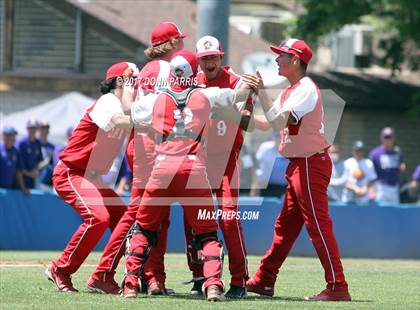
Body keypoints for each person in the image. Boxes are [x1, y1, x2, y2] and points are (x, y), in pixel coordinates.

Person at [122, 50, 254, 301]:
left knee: (144, 229)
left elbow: (128, 108)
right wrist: (250, 83)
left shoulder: (156, 98)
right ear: (196, 72)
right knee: (206, 233)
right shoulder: (205, 93)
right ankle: (213, 285)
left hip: (161, 169)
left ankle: (130, 285)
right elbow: (238, 95)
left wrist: (129, 85)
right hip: (194, 170)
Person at [243, 38, 351, 301]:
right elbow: (266, 124)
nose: (276, 60)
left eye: (281, 55)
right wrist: (232, 114)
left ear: (295, 60)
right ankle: (264, 280)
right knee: (285, 227)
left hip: (310, 163)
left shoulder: (305, 89)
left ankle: (338, 286)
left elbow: (279, 121)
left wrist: (261, 93)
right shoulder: (290, 91)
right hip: (298, 165)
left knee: (318, 225)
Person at [88, 21, 188, 295]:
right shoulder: (171, 69)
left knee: (158, 215)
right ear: (171, 43)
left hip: (141, 143)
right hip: (156, 145)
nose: (182, 44)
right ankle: (104, 273)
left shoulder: (144, 71)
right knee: (140, 215)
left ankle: (153, 277)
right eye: (179, 39)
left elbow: (130, 108)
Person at [45, 61, 137, 293]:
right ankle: (60, 269)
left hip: (91, 175)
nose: (136, 84)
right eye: (132, 79)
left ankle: (102, 276)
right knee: (99, 217)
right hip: (71, 171)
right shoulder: (109, 101)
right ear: (120, 81)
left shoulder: (127, 105)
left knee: (123, 219)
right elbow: (119, 120)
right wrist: (151, 121)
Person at [181, 35, 254, 299]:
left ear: (221, 58)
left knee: (229, 218)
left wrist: (232, 106)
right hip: (197, 159)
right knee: (193, 219)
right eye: (204, 59)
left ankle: (239, 280)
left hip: (226, 159)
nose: (209, 62)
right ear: (198, 61)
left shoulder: (237, 81)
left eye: (213, 57)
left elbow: (249, 122)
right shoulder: (192, 82)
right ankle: (199, 276)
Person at [369, 127, 405, 205]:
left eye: (390, 137)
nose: (388, 139)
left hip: (395, 187)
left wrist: (402, 166)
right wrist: (371, 189)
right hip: (381, 187)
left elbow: (401, 164)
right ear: (381, 138)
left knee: (394, 213)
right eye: (386, 137)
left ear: (394, 138)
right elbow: (370, 172)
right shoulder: (375, 153)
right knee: (381, 213)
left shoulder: (397, 152)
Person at [251, 131, 288, 198]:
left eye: (283, 136)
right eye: (277, 136)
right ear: (273, 137)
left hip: (288, 188)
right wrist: (254, 187)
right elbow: (258, 169)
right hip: (269, 188)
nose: (280, 138)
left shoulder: (294, 149)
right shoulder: (265, 148)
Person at [0, 126, 29, 194]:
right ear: (3, 136)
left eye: (13, 135)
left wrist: (23, 187)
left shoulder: (16, 152)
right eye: (9, 135)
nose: (12, 138)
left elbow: (19, 171)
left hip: (9, 190)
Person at [18, 119, 43, 189]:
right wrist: (29, 174)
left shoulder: (37, 143)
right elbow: (18, 165)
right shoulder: (21, 143)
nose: (33, 130)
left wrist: (37, 171)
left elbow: (39, 161)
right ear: (27, 129)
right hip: (22, 179)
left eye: (35, 128)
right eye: (31, 128)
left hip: (33, 179)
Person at [37, 121, 56, 189]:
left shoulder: (52, 147)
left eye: (46, 129)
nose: (44, 131)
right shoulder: (34, 144)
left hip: (48, 182)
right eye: (43, 128)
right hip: (35, 178)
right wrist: (44, 163)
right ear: (39, 130)